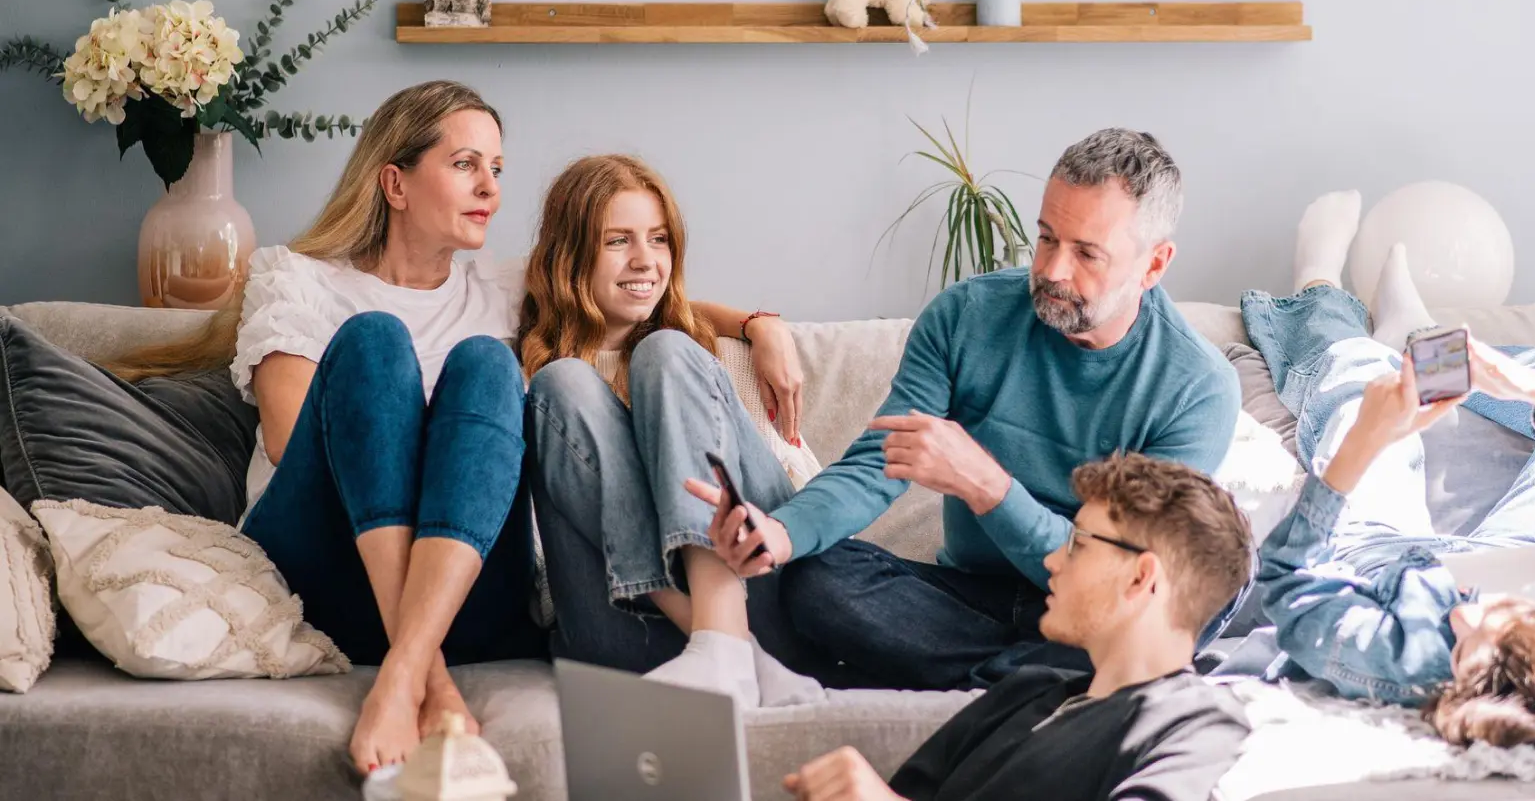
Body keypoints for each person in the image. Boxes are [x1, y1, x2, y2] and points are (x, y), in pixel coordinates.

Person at [106, 85, 807, 769]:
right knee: (376, 343)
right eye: (466, 164)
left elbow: (629, 284)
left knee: (485, 364)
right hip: (326, 566)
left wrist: (757, 324)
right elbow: (293, 442)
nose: (491, 189)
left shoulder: (498, 290)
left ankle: (409, 664)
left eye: (496, 170)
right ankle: (425, 677)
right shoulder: (297, 279)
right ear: (396, 183)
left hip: (468, 588)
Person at [698, 128, 1245, 691]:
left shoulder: (1197, 388)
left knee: (1141, 633)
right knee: (816, 577)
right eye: (1048, 238)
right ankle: (1023, 686)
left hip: (1086, 610)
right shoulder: (968, 316)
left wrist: (990, 488)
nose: (1054, 270)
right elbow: (878, 463)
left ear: (1154, 265)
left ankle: (997, 682)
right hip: (965, 598)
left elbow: (1123, 581)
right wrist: (782, 533)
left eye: (1086, 253)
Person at [1241, 189, 1535, 746]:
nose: (1461, 618)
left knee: (1362, 389)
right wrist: (1533, 387)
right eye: (1501, 629)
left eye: (1457, 653)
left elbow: (1290, 586)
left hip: (1392, 557)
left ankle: (1317, 285)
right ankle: (1415, 337)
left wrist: (1367, 439)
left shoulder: (1408, 662)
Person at [520, 154, 829, 709]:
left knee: (663, 349)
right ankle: (731, 648)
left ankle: (725, 635)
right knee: (562, 382)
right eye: (617, 241)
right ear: (569, 255)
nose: (644, 261)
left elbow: (803, 494)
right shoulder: (526, 375)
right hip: (622, 623)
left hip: (766, 590)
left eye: (658, 239)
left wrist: (762, 324)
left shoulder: (702, 356)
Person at [778, 453, 1254, 801]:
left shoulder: (1198, 721)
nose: (1051, 560)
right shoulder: (1026, 692)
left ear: (1140, 577)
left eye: (1078, 545)